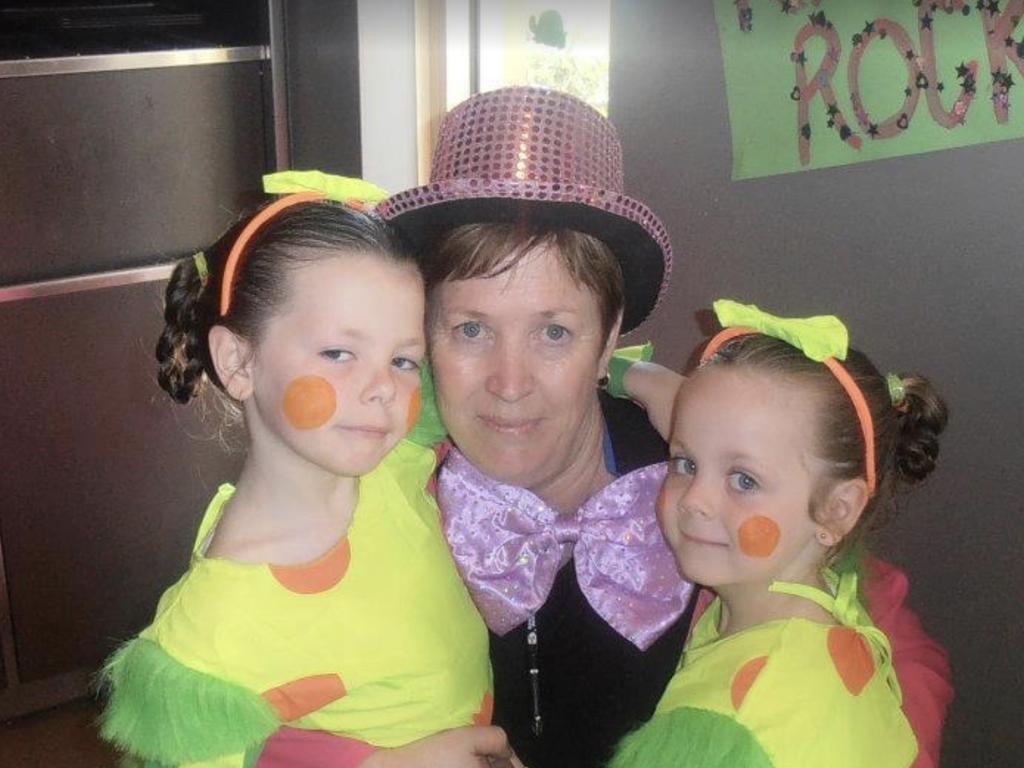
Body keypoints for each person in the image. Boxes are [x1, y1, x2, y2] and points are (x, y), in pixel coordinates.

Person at [377, 87, 953, 768]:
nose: (510, 382)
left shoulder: (699, 480)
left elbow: (891, 639)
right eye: (471, 329)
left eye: (554, 332)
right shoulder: (381, 489)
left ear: (609, 339)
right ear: (424, 332)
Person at [99, 176, 512, 768]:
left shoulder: (395, 463)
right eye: (338, 353)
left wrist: (649, 383)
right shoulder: (218, 626)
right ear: (239, 362)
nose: (383, 390)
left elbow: (500, 390)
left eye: (402, 360)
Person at [609, 300, 949, 768]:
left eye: (744, 480)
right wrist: (629, 374)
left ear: (837, 510)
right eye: (685, 464)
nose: (694, 499)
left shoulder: (727, 729)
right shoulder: (823, 598)